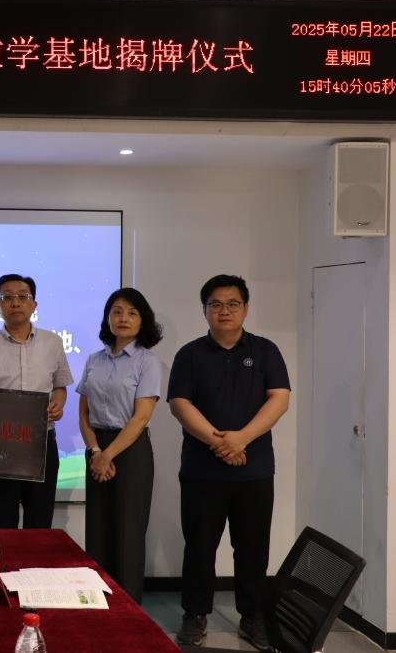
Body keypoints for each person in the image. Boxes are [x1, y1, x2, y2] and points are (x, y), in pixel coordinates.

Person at [169, 274, 290, 651]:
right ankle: (195, 614)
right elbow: (180, 404)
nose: (224, 311)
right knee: (199, 546)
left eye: (233, 303)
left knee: (253, 548)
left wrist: (242, 439)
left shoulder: (266, 350)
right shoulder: (189, 354)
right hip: (202, 471)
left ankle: (253, 616)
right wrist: (220, 442)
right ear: (204, 310)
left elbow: (279, 398)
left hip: (254, 469)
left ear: (246, 308)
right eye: (216, 304)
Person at [0, 274, 73, 529]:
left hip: (41, 443)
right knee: (3, 523)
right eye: (7, 297)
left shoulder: (53, 342)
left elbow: (60, 386)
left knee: (40, 522)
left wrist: (58, 404)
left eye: (23, 296)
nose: (15, 302)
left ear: (34, 304)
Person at [75, 287, 163, 603]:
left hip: (131, 448)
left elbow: (141, 418)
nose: (123, 318)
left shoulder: (147, 361)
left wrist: (108, 454)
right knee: (98, 528)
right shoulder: (94, 360)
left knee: (128, 531)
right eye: (117, 311)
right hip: (97, 446)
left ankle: (128, 606)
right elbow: (83, 413)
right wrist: (97, 451)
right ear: (107, 318)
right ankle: (97, 602)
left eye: (132, 312)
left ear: (143, 320)